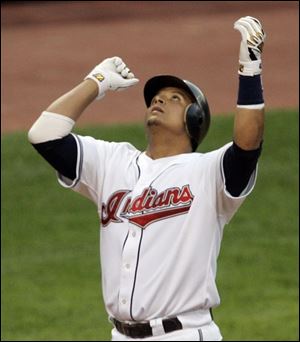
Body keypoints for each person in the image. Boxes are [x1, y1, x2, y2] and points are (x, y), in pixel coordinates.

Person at [28, 16, 266, 341]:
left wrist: (249, 69)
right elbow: (44, 136)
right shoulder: (111, 162)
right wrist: (94, 83)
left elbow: (247, 145)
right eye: (157, 97)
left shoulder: (208, 172)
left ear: (195, 119)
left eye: (174, 99)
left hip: (184, 333)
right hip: (120, 335)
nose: (159, 100)